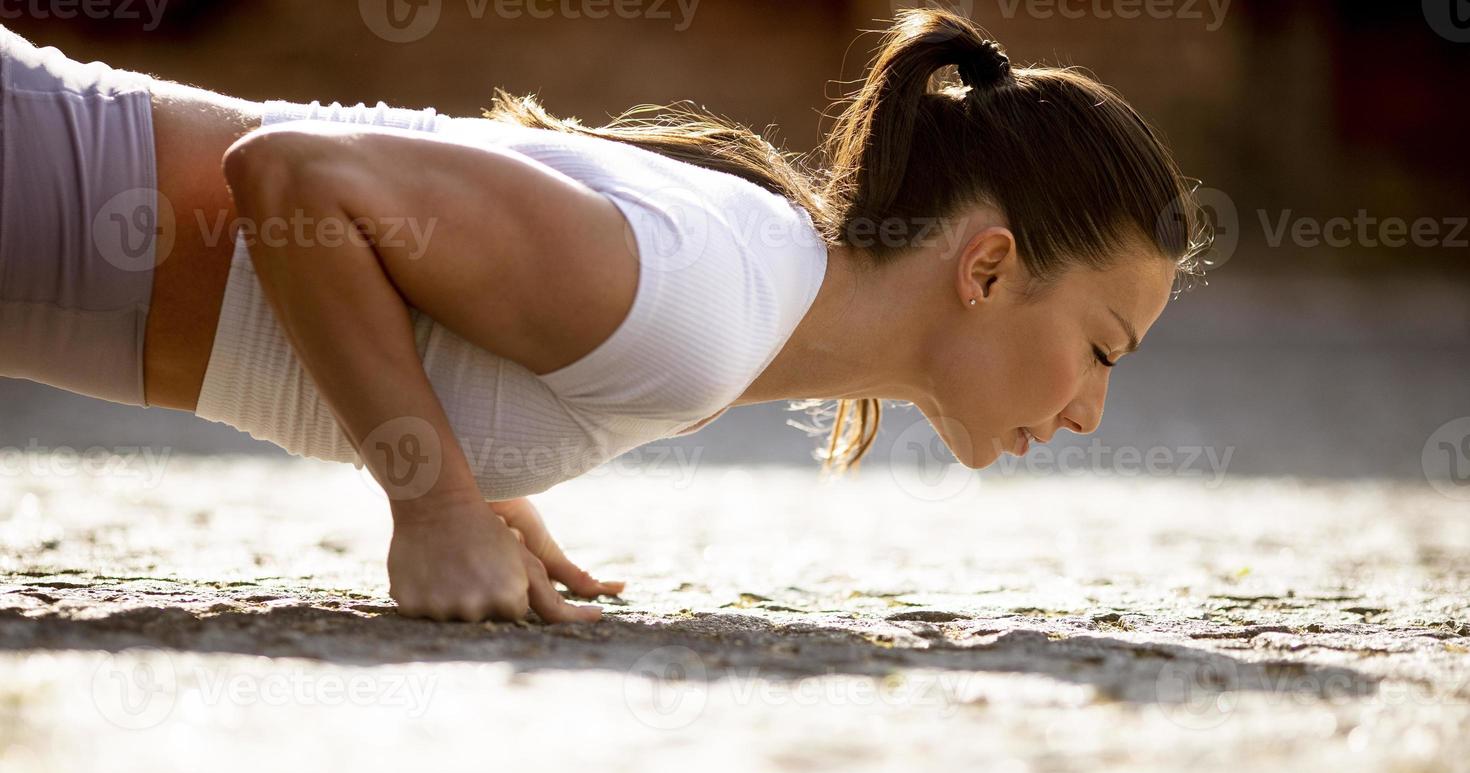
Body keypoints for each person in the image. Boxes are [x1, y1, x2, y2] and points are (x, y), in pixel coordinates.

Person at [0, 11, 1211, 625]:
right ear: (989, 269)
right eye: (1103, 348)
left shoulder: (745, 290)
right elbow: (297, 177)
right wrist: (428, 501)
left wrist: (471, 473)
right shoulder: (703, 306)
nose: (1094, 409)